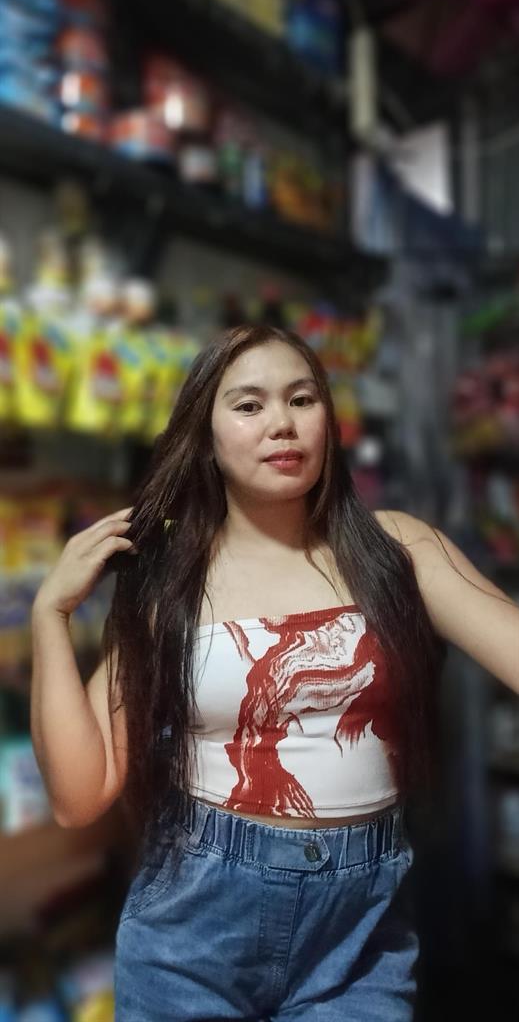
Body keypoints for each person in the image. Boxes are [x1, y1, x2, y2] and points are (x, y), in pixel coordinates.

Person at [31, 324, 519, 1021]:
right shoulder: (168, 586)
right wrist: (50, 615)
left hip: (357, 939)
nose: (282, 423)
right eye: (248, 405)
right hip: (195, 925)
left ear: (328, 419)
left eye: (301, 399)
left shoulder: (398, 550)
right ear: (206, 436)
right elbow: (79, 797)